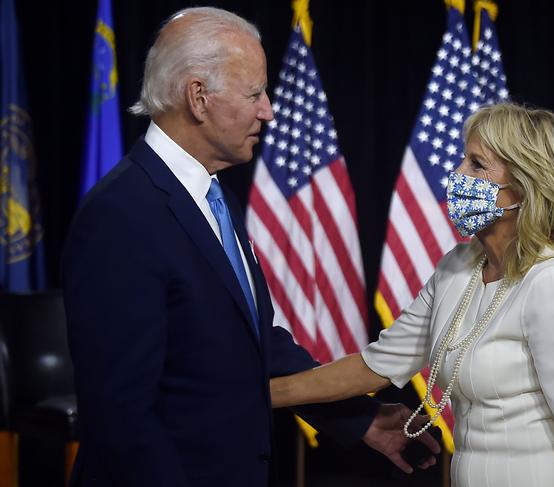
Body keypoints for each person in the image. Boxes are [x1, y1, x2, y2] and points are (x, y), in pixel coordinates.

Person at [62, 7, 438, 487]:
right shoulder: (121, 216)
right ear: (198, 97)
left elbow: (256, 346)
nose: (269, 110)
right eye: (255, 93)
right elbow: (120, 414)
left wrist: (357, 419)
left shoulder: (217, 199)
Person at [271, 103, 554, 487]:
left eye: (477, 165)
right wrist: (256, 394)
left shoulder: (553, 281)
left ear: (525, 186)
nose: (458, 175)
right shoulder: (457, 267)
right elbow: (372, 366)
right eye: (464, 160)